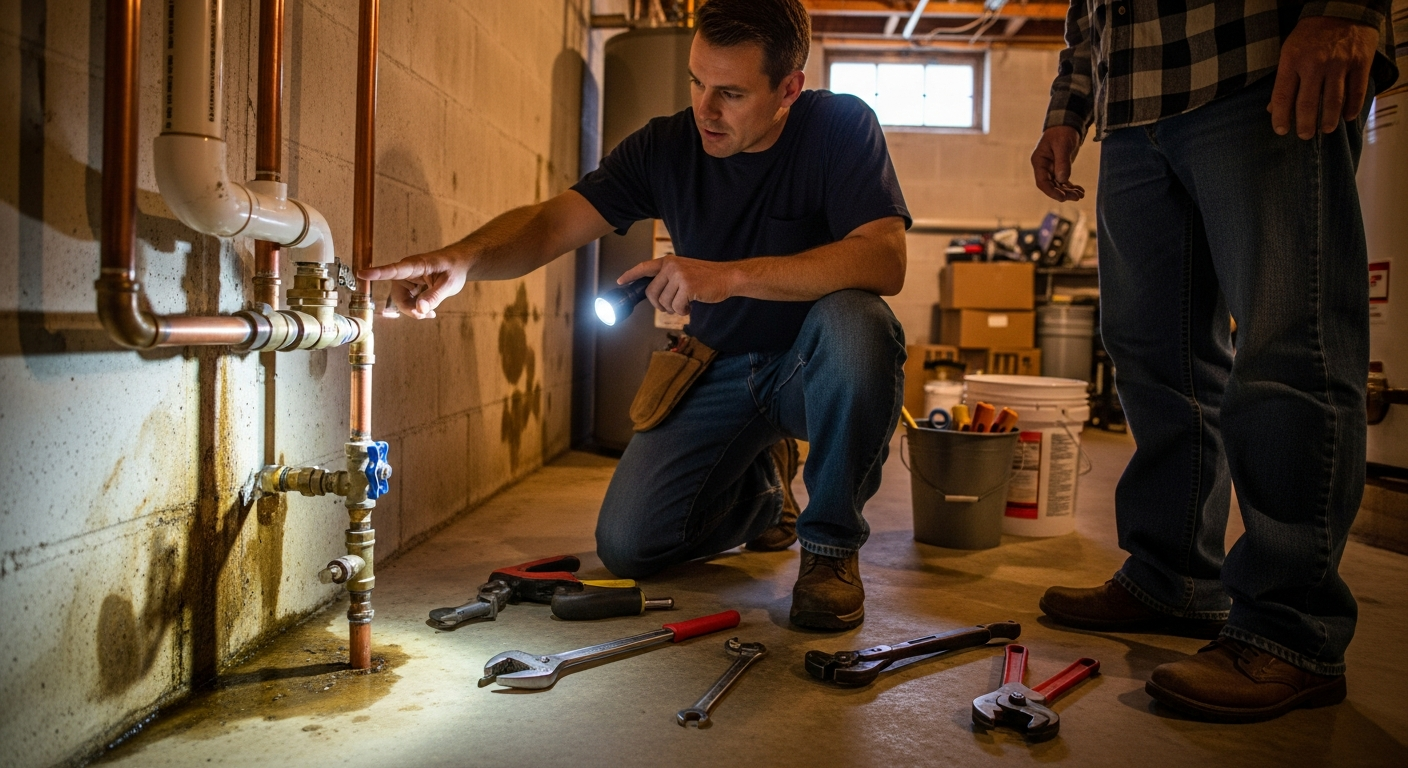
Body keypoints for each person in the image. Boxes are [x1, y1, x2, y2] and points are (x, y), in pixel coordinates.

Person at [359, 0, 910, 630]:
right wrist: (463, 260)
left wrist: (728, 276)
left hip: (809, 368)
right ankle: (762, 493)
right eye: (696, 81)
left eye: (729, 92)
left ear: (789, 88)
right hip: (718, 367)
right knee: (629, 546)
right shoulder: (666, 146)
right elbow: (549, 224)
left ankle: (831, 550)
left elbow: (883, 259)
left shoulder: (839, 127)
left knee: (860, 324)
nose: (705, 109)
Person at [1030, 0, 1399, 722]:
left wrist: (1345, 10)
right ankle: (1172, 576)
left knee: (1290, 351)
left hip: (1258, 58)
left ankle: (1292, 632)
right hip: (1131, 102)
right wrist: (1068, 104)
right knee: (1150, 353)